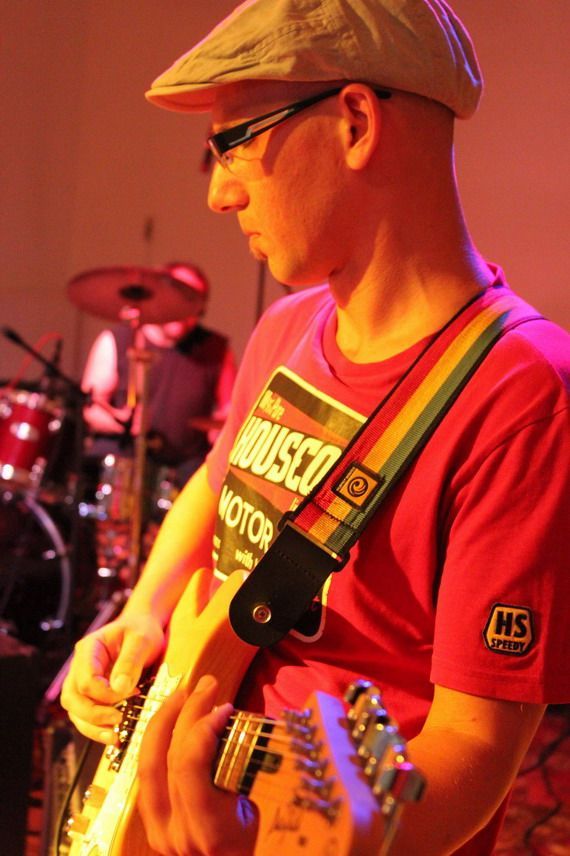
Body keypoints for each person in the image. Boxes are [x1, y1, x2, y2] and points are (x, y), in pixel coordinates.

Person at [60, 2, 570, 854]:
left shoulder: (523, 393)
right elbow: (213, 490)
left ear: (356, 122)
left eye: (235, 144)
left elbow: (473, 756)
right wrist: (145, 614)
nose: (219, 192)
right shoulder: (287, 329)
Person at [81, 261, 237, 492]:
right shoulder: (117, 339)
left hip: (184, 471)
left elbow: (230, 410)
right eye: (177, 296)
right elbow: (90, 407)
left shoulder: (216, 349)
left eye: (191, 300)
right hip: (122, 460)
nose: (182, 308)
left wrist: (221, 430)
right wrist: (122, 423)